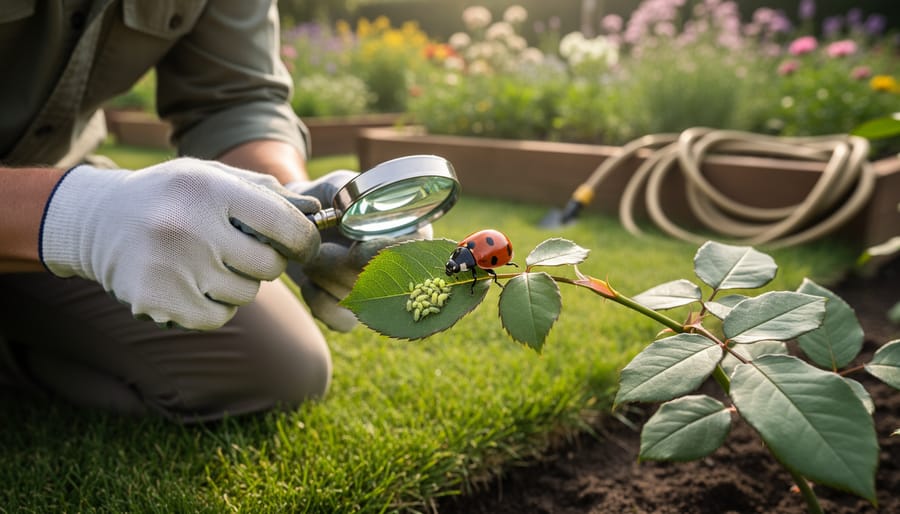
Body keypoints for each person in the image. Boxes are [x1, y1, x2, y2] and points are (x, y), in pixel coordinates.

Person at [0, 1, 422, 423]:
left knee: (276, 366)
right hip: (50, 202)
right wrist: (79, 218)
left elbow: (235, 99)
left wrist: (286, 195)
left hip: (53, 177)